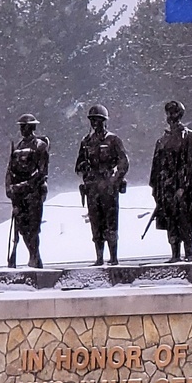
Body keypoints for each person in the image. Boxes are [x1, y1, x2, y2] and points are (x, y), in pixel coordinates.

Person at [148, 100, 192, 261]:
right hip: (168, 190)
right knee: (171, 221)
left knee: (186, 221)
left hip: (187, 191)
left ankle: (189, 253)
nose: (171, 117)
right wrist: (158, 190)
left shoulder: (190, 137)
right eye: (169, 114)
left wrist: (187, 186)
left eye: (174, 113)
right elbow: (156, 169)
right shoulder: (162, 141)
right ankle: (175, 253)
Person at [74, 104, 129, 265]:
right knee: (96, 223)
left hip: (109, 189)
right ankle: (99, 257)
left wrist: (115, 179)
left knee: (110, 223)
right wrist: (86, 171)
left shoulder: (113, 140)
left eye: (98, 120)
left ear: (105, 121)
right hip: (92, 188)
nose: (95, 124)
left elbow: (124, 163)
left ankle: (113, 257)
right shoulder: (86, 142)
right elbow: (78, 165)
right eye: (92, 120)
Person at [5, 113, 49, 268]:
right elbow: (9, 171)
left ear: (32, 127)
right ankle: (33, 256)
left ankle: (35, 256)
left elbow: (41, 172)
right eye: (21, 127)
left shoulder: (40, 146)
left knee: (33, 228)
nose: (23, 130)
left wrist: (25, 186)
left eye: (25, 127)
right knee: (22, 228)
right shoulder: (17, 147)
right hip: (19, 195)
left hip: (33, 193)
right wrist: (10, 188)